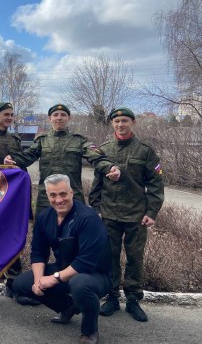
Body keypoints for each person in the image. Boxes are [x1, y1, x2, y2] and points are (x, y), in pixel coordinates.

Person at [13, 174, 112, 344]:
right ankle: (67, 306)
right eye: (53, 195)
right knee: (21, 284)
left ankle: (89, 331)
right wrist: (38, 281)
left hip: (96, 275)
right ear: (48, 196)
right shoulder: (44, 218)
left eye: (63, 194)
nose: (58, 200)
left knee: (79, 284)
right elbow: (38, 252)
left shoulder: (88, 218)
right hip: (65, 270)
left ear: (72, 193)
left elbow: (85, 262)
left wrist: (54, 278)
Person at [90, 107, 164, 322]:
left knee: (134, 258)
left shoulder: (145, 150)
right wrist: (94, 208)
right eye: (116, 121)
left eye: (124, 121)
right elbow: (97, 183)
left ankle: (133, 301)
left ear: (133, 122)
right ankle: (112, 298)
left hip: (136, 215)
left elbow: (156, 183)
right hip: (109, 215)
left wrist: (152, 211)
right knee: (110, 257)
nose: (120, 124)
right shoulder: (103, 149)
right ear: (112, 124)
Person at [0, 101, 39, 306]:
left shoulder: (15, 139)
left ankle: (13, 284)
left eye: (12, 115)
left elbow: (20, 168)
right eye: (6, 114)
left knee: (12, 240)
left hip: (10, 199)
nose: (10, 118)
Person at [10, 104, 121, 215]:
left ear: (69, 118)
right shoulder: (42, 141)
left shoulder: (79, 140)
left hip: (73, 197)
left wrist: (110, 167)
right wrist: (12, 160)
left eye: (63, 115)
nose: (59, 118)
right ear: (50, 118)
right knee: (44, 231)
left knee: (74, 231)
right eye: (55, 115)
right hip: (47, 198)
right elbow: (27, 156)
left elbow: (95, 157)